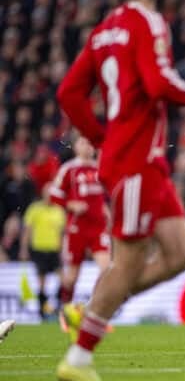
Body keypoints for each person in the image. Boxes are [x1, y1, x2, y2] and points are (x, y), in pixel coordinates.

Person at [54, 0, 185, 380]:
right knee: (130, 261)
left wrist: (102, 138)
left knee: (182, 252)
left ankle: (96, 305)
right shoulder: (149, 21)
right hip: (134, 159)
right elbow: (158, 83)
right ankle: (80, 355)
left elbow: (69, 93)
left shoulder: (103, 30)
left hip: (142, 159)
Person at [49, 135, 110, 339]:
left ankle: (93, 315)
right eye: (84, 142)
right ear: (75, 147)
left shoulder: (99, 168)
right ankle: (65, 312)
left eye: (91, 142)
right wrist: (70, 205)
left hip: (98, 227)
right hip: (77, 227)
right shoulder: (69, 169)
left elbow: (104, 194)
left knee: (107, 270)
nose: (88, 146)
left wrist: (106, 210)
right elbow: (54, 194)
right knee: (71, 277)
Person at [20, 184, 66, 320]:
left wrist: (63, 251)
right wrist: (24, 249)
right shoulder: (35, 209)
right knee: (41, 282)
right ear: (43, 193)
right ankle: (43, 312)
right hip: (39, 250)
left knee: (63, 281)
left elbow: (61, 233)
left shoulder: (59, 211)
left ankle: (58, 307)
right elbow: (27, 230)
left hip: (54, 250)